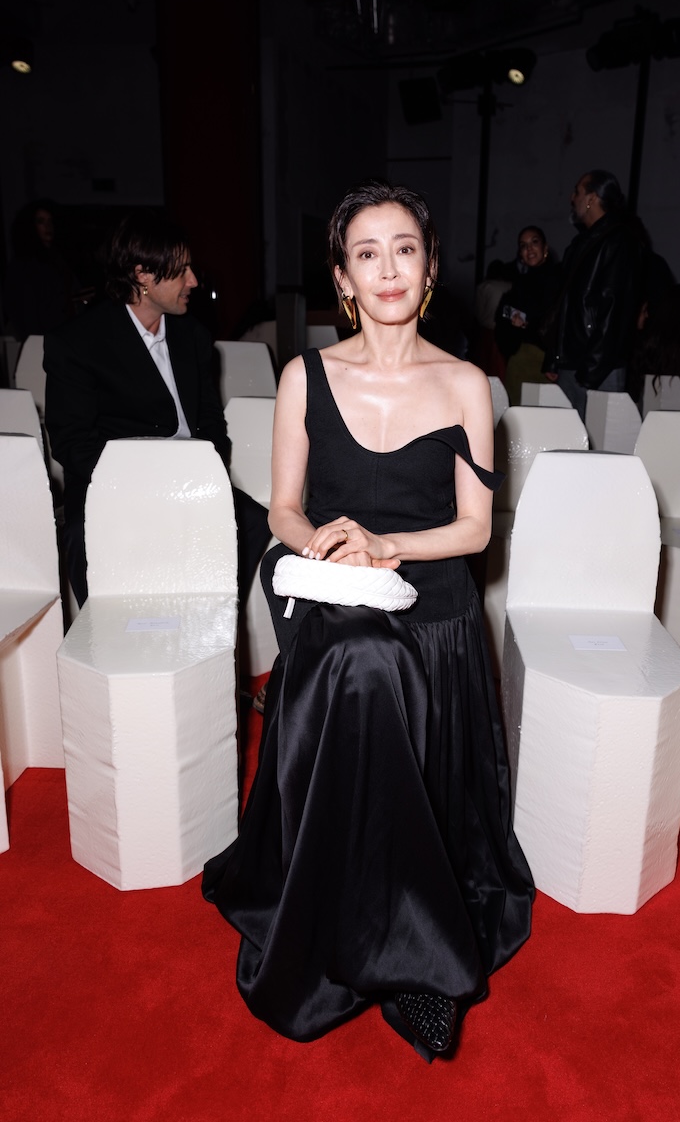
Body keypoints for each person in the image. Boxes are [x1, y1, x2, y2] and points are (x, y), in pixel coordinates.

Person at [202, 179, 534, 1061]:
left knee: (376, 664)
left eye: (405, 249)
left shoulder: (465, 382)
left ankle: (402, 949)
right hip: (331, 593)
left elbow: (473, 529)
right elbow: (282, 509)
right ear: (342, 279)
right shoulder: (303, 375)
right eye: (366, 253)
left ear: (429, 268)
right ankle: (413, 959)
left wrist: (386, 545)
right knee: (360, 660)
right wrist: (327, 547)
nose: (388, 269)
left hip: (433, 609)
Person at [44, 209, 268, 605]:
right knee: (83, 538)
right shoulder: (78, 343)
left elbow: (211, 422)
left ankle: (209, 617)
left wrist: (204, 470)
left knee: (253, 521)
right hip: (113, 484)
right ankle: (113, 635)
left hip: (189, 479)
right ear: (143, 275)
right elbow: (72, 443)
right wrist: (145, 485)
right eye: (182, 271)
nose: (193, 281)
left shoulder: (193, 336)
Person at [543, 169, 644, 418]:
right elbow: (565, 304)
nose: (572, 198)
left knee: (599, 440)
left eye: (577, 192)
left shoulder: (619, 240)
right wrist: (555, 357)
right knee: (566, 437)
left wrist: (591, 370)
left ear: (591, 198)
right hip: (574, 364)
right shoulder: (582, 243)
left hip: (597, 369)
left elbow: (615, 309)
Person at [2, 199, 89, 341]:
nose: (48, 226)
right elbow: (24, 309)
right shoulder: (23, 265)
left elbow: (70, 295)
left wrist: (80, 299)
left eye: (50, 221)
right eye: (41, 221)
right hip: (41, 338)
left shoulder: (59, 259)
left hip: (64, 335)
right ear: (30, 226)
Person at [493, 225, 561, 404]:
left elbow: (558, 323)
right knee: (517, 414)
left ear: (545, 248)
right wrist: (513, 324)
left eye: (534, 242)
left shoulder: (559, 281)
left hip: (546, 361)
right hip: (520, 358)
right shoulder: (520, 284)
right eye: (523, 245)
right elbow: (502, 316)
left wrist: (527, 325)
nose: (529, 249)